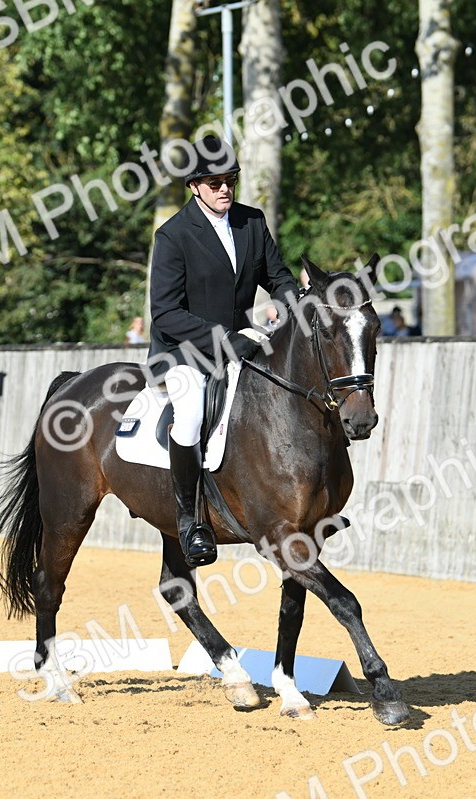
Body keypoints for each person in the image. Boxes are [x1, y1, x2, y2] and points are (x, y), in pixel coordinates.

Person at [148, 134, 300, 567]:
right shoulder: (173, 235)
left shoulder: (251, 222)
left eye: (229, 180)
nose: (224, 189)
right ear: (195, 186)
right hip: (184, 352)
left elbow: (280, 277)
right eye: (213, 182)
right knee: (192, 413)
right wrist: (226, 339)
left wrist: (289, 306)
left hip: (242, 344)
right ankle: (190, 520)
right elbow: (165, 313)